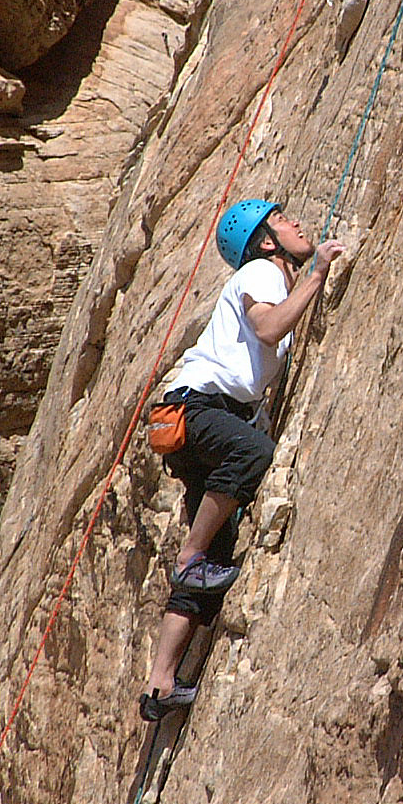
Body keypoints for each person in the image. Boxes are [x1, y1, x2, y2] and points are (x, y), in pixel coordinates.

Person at [139, 198, 345, 721]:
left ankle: (161, 684)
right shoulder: (261, 270)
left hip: (191, 417)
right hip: (195, 407)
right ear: (266, 241)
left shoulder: (270, 273)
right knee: (253, 455)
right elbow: (268, 328)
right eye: (282, 219)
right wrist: (317, 271)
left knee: (219, 551)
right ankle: (189, 555)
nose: (296, 222)